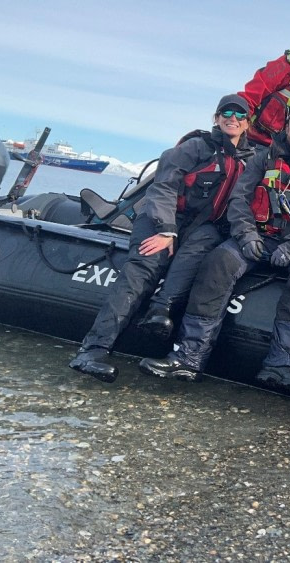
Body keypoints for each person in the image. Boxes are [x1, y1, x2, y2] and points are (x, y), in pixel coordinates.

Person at [138, 105, 290, 392]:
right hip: (258, 237)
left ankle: (280, 363)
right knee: (219, 260)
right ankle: (188, 356)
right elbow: (239, 199)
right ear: (286, 129)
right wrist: (246, 235)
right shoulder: (262, 158)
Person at [69, 95, 253, 382]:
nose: (233, 118)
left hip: (200, 227)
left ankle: (161, 309)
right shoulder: (195, 147)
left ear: (247, 123)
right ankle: (92, 349)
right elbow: (163, 188)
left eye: (240, 115)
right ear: (216, 118)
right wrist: (166, 230)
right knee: (141, 269)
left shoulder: (248, 160)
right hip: (163, 220)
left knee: (201, 248)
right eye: (226, 113)